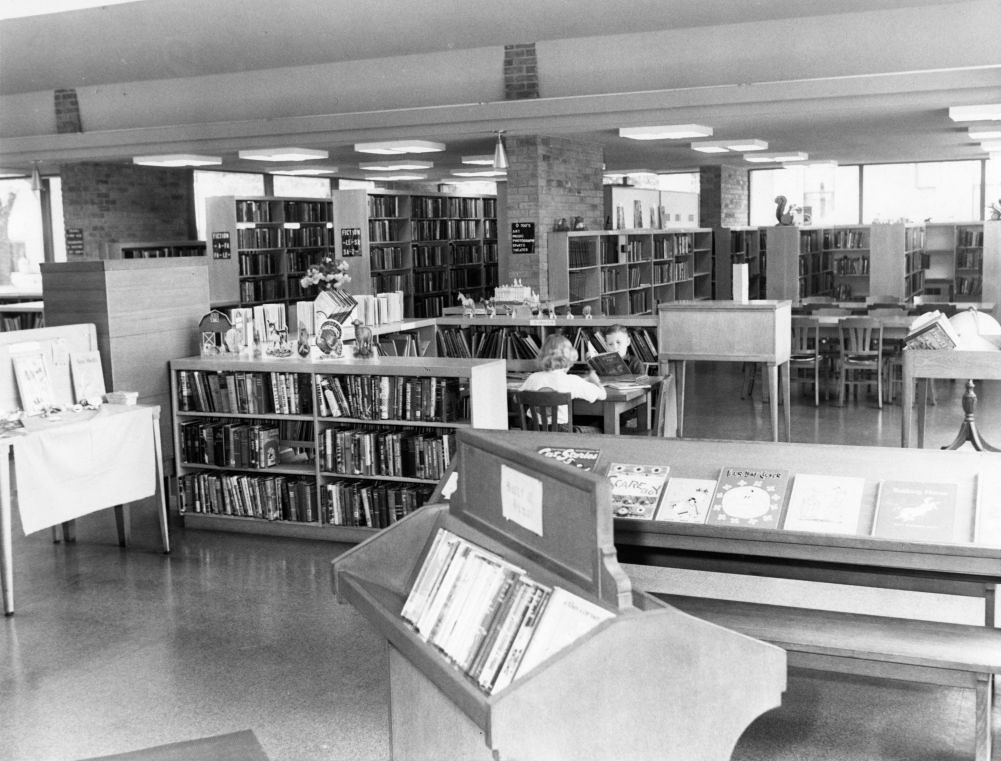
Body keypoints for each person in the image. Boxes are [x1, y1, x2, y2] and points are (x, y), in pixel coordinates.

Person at [519, 334, 606, 429]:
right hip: (562, 434)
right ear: (569, 358)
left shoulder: (533, 378)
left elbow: (516, 398)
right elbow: (602, 395)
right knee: (597, 429)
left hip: (533, 432)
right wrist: (596, 381)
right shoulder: (572, 381)